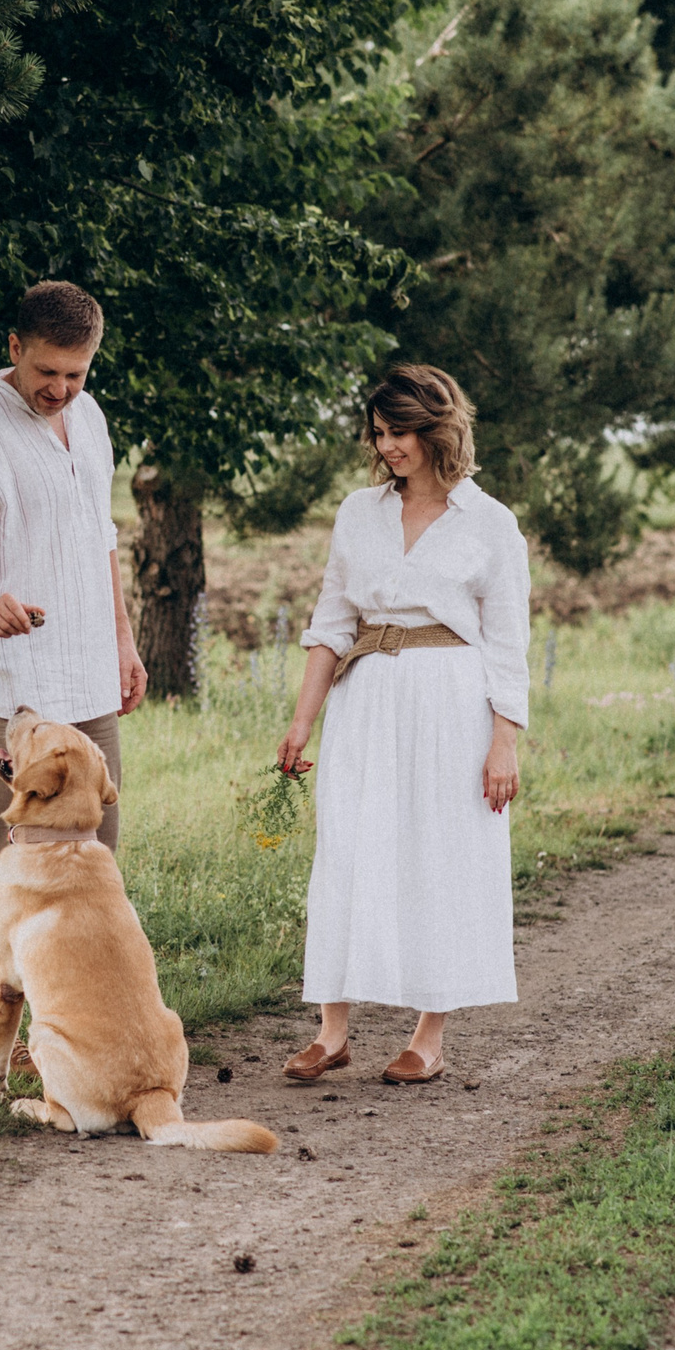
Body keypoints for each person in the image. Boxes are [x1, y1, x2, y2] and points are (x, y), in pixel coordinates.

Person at [274, 364, 530, 1085]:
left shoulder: (490, 523)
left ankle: (429, 1032)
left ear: (437, 429)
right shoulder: (359, 512)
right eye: (379, 433)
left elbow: (508, 642)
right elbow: (331, 623)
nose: (387, 446)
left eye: (401, 432)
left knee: (438, 854)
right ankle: (332, 1029)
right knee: (350, 848)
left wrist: (503, 739)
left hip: (451, 703)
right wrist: (302, 719)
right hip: (367, 700)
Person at [0, 280, 149, 1076]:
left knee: (93, 856)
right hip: (13, 684)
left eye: (77, 374)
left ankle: (71, 1020)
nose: (60, 389)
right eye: (48, 371)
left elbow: (103, 537)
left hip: (89, 673)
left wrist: (123, 640)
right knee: (8, 857)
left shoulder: (88, 420)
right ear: (15, 349)